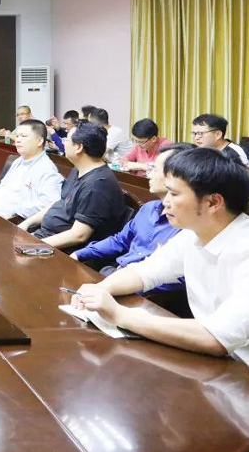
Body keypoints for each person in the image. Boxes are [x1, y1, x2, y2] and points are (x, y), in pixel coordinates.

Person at [71, 148, 249, 363]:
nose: (165, 202)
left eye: (174, 194)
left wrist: (119, 314)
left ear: (213, 203)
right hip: (216, 361)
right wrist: (100, 289)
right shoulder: (192, 234)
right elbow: (144, 272)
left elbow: (214, 338)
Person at [72, 143, 192, 283]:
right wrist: (79, 254)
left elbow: (176, 278)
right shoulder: (149, 208)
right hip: (116, 273)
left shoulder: (188, 226)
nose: (149, 174)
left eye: (154, 169)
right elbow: (120, 240)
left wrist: (125, 281)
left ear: (175, 176)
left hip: (143, 288)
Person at [18, 122, 126, 251]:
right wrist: (28, 223)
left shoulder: (98, 184)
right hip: (44, 237)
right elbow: (61, 202)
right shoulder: (79, 169)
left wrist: (34, 245)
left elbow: (79, 235)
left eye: (67, 140)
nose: (63, 143)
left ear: (78, 147)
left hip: (62, 251)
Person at [0, 119, 64, 219]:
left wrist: (14, 209)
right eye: (17, 136)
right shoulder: (19, 161)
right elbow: (2, 189)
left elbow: (49, 205)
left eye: (23, 136)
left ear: (39, 141)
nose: (18, 140)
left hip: (11, 221)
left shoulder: (47, 169)